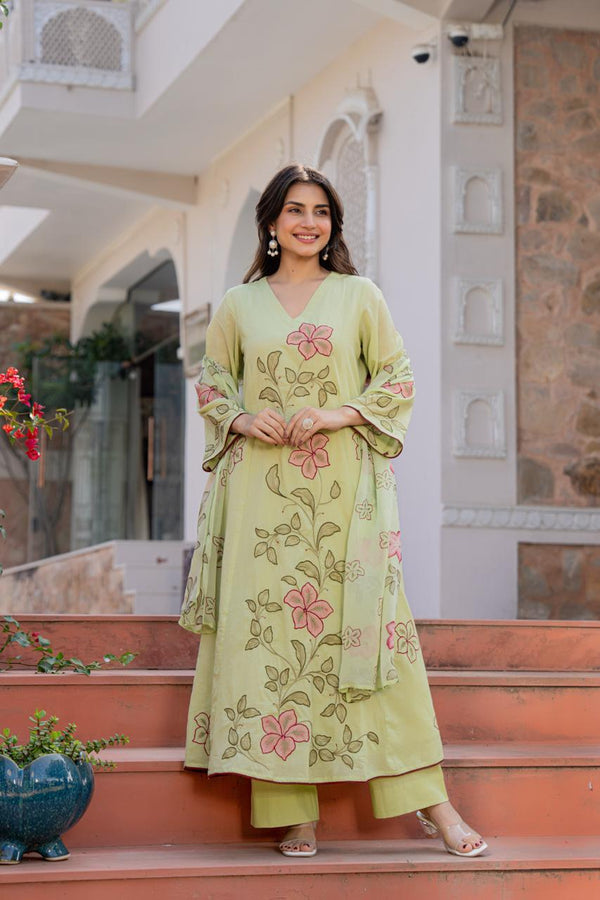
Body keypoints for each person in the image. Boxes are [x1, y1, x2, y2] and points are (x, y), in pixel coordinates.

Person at [180, 163, 487, 859]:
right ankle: (294, 811)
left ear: (333, 225)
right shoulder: (238, 304)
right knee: (271, 652)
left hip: (346, 494)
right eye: (295, 210)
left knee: (373, 643)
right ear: (270, 222)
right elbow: (212, 383)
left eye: (321, 211)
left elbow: (397, 376)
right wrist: (241, 419)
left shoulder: (358, 296)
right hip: (262, 504)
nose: (309, 222)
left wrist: (338, 411)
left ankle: (433, 807)